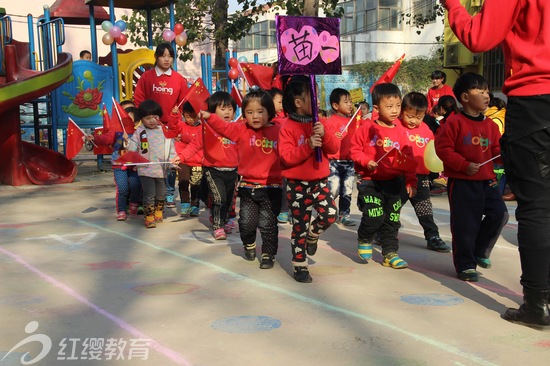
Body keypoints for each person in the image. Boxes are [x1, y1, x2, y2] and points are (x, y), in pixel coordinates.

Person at [443, 0, 550, 329]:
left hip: (536, 102)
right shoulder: (457, 123)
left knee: (537, 206)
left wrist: (452, 5)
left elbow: (480, 37)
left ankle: (537, 302)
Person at [435, 72, 508, 282]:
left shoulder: (491, 126)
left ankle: (480, 250)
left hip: (488, 181)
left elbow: (496, 151)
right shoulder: (454, 123)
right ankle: (466, 265)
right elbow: (443, 149)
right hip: (462, 183)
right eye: (481, 91)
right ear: (465, 98)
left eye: (487, 91)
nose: (487, 95)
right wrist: (463, 165)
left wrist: (506, 156)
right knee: (465, 225)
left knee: (500, 214)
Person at [200, 90, 282, 268]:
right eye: (250, 112)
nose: (255, 116)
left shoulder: (279, 130)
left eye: (260, 111)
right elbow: (224, 128)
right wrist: (209, 117)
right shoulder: (241, 129)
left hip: (272, 187)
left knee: (268, 224)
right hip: (248, 187)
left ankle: (268, 255)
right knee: (246, 223)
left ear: (270, 111)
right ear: (244, 114)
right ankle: (249, 244)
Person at [279, 75, 339, 283]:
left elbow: (334, 148)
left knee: (330, 214)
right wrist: (308, 146)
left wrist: (326, 136)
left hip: (320, 182)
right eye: (312, 96)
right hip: (296, 186)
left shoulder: (319, 122)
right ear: (298, 102)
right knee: (299, 227)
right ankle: (300, 265)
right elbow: (286, 157)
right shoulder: (287, 126)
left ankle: (314, 235)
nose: (318, 100)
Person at [350, 83, 417, 269]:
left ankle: (390, 253)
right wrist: (366, 161)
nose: (395, 111)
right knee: (374, 216)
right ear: (377, 108)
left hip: (394, 184)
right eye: (389, 106)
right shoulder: (366, 128)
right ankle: (364, 237)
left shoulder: (401, 132)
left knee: (392, 220)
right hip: (370, 182)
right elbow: (354, 150)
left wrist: (411, 181)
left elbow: (408, 160)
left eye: (398, 106)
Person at [133, 42, 189, 210]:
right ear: (156, 57)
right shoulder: (147, 77)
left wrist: (177, 122)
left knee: (169, 160)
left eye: (170, 56)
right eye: (163, 55)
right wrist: (147, 119)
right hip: (150, 127)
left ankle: (168, 193)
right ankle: (147, 197)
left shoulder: (179, 79)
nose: (166, 59)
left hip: (169, 128)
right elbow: (138, 99)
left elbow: (184, 103)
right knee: (148, 161)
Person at [179, 91, 239, 240]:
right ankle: (218, 226)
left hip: (232, 171)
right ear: (212, 112)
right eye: (223, 108)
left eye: (230, 109)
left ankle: (224, 220)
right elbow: (194, 146)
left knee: (228, 199)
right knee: (219, 198)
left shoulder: (237, 129)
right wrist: (181, 157)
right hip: (213, 170)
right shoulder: (206, 129)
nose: (227, 112)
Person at [399, 92, 450, 252]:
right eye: (410, 116)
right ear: (401, 112)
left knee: (425, 209)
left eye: (419, 117)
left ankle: (432, 236)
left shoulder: (427, 131)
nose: (414, 121)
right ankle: (384, 232)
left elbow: (432, 153)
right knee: (392, 208)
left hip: (421, 178)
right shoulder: (396, 127)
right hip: (399, 178)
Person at [126, 100, 178, 228]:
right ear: (142, 119)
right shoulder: (139, 131)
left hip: (161, 168)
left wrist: (172, 162)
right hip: (145, 168)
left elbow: (170, 149)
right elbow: (133, 147)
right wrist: (127, 144)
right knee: (149, 193)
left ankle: (158, 211)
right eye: (147, 118)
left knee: (161, 193)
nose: (151, 120)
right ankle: (149, 217)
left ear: (159, 116)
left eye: (155, 117)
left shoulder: (164, 131)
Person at [85, 108, 140, 221]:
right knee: (123, 188)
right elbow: (105, 138)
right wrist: (95, 138)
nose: (125, 120)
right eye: (124, 117)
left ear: (135, 121)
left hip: (134, 165)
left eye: (129, 118)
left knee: (136, 186)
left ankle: (134, 204)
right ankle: (121, 210)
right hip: (119, 165)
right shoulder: (115, 132)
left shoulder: (138, 132)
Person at [326, 88, 357, 226]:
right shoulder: (330, 121)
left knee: (347, 189)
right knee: (334, 188)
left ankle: (344, 214)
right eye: (346, 102)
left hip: (349, 162)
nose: (350, 104)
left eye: (351, 101)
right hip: (333, 161)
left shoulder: (354, 122)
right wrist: (333, 137)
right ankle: (327, 209)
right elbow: (325, 138)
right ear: (335, 106)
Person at [176, 102, 203, 218]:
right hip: (183, 160)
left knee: (196, 185)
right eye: (188, 116)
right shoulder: (181, 126)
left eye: (194, 116)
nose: (191, 119)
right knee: (183, 182)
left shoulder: (203, 128)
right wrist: (173, 114)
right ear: (183, 115)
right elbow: (171, 127)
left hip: (198, 161)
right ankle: (185, 204)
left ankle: (195, 205)